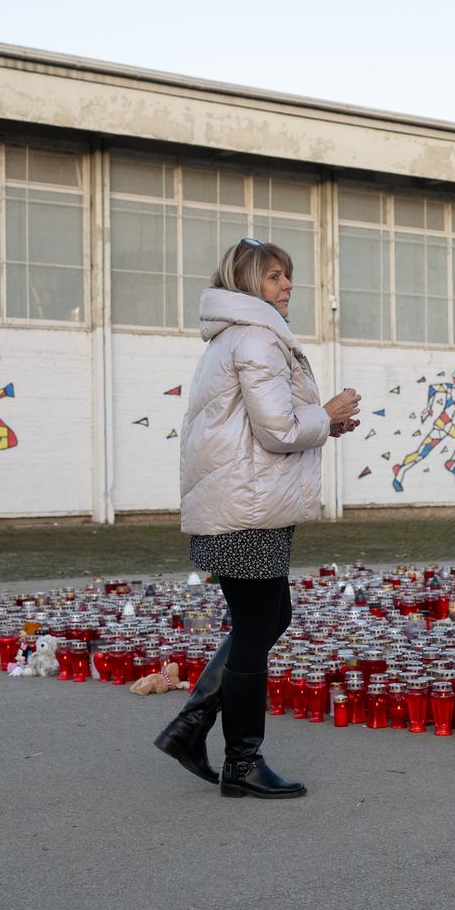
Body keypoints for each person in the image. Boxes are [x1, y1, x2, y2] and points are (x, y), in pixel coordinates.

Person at [153, 238, 359, 798]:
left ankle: (191, 727)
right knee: (257, 625)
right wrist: (327, 414)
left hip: (241, 502)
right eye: (274, 277)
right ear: (248, 286)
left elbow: (263, 423)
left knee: (268, 617)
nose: (287, 286)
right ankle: (240, 760)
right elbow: (279, 429)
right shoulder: (256, 339)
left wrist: (326, 424)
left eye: (287, 276)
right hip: (246, 508)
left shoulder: (233, 338)